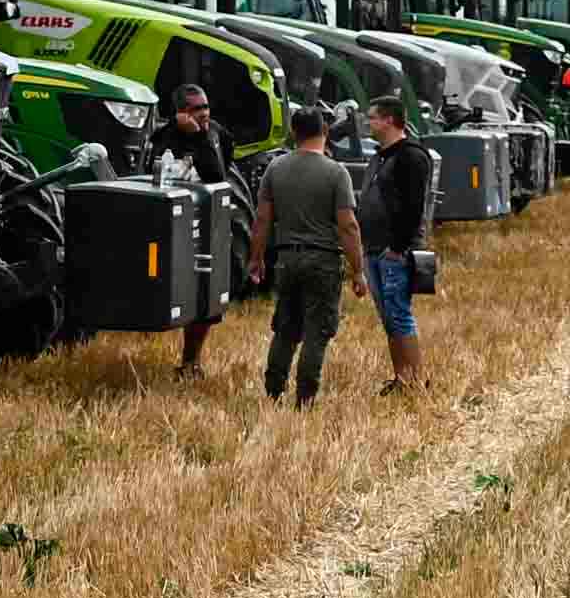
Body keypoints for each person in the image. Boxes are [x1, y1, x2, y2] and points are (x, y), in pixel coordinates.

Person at [253, 105, 361, 404]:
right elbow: (348, 226)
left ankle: (273, 391)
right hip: (324, 260)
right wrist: (358, 270)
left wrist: (256, 258)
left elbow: (262, 220)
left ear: (293, 133)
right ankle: (305, 399)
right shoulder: (336, 173)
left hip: (286, 259)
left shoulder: (276, 168)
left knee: (285, 328)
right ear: (325, 132)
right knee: (317, 332)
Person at [153, 75, 240, 377]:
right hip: (172, 226)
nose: (204, 113)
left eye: (206, 107)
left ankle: (191, 360)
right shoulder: (164, 138)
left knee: (205, 298)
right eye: (196, 109)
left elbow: (219, 178)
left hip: (206, 226)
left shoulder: (215, 135)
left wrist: (201, 139)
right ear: (179, 112)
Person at [359, 93, 434, 399]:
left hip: (395, 251)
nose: (368, 123)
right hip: (374, 248)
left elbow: (414, 208)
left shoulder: (411, 157)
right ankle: (400, 376)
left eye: (372, 117)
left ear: (389, 120)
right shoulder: (381, 156)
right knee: (389, 316)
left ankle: (415, 380)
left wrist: (397, 246)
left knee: (400, 313)